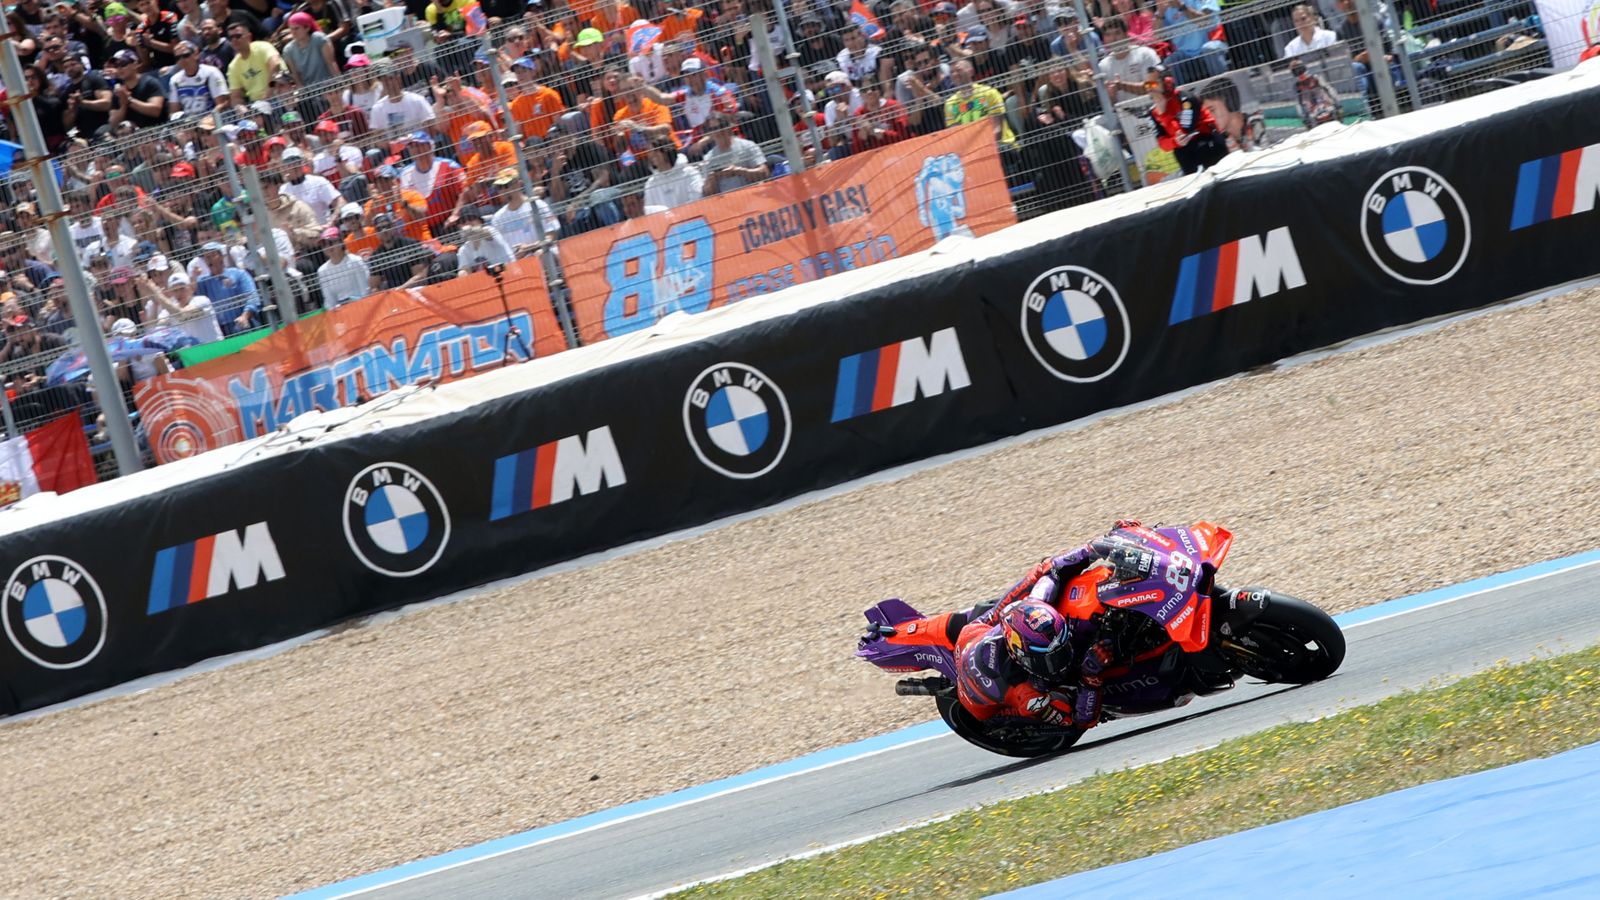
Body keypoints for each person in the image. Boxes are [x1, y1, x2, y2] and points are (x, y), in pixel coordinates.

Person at [877, 521, 1158, 729]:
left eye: (1060, 648)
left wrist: (1094, 549)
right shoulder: (1026, 694)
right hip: (987, 706)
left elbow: (1043, 574)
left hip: (975, 636)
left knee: (982, 610)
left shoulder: (982, 627)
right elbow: (1082, 720)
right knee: (1064, 700)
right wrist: (1090, 675)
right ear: (1021, 655)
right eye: (1051, 657)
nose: (1061, 659)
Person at [1146, 67, 1230, 174]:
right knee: (1180, 152)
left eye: (1153, 84)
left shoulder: (1186, 99)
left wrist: (1163, 114)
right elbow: (1162, 143)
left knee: (1201, 147)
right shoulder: (1153, 112)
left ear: (1167, 82)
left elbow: (1184, 131)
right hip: (1185, 147)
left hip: (1207, 139)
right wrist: (1174, 141)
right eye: (1147, 85)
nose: (1150, 89)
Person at [699, 113, 768, 197]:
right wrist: (713, 179)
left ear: (728, 127)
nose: (718, 131)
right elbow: (706, 194)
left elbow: (764, 173)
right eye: (713, 129)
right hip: (726, 205)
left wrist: (739, 171)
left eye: (721, 126)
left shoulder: (747, 146)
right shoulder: (708, 158)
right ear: (709, 133)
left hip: (753, 196)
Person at [314, 226, 369, 308]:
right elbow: (329, 300)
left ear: (341, 242)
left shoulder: (356, 261)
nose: (328, 247)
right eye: (324, 244)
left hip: (361, 306)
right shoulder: (322, 271)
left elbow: (365, 289)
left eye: (331, 243)